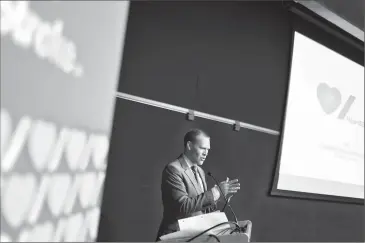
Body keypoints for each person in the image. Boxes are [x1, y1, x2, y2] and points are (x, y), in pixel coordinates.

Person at [156, 129, 240, 240]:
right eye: (202, 148)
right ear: (189, 145)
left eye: (208, 149)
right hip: (175, 237)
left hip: (195, 237)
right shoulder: (173, 169)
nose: (206, 153)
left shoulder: (200, 171)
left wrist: (221, 197)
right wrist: (216, 192)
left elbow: (202, 208)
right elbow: (183, 206)